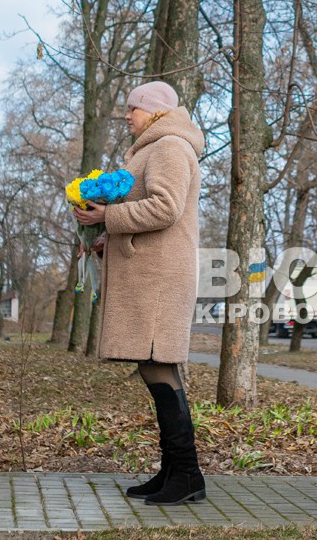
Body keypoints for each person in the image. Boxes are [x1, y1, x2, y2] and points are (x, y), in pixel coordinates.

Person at [74, 81, 206, 505]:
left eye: (133, 109)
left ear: (155, 111)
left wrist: (108, 215)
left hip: (160, 277)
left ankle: (185, 473)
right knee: (155, 367)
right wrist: (104, 236)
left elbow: (166, 207)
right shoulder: (155, 147)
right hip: (152, 272)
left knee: (159, 366)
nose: (127, 115)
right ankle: (176, 470)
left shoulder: (170, 146)